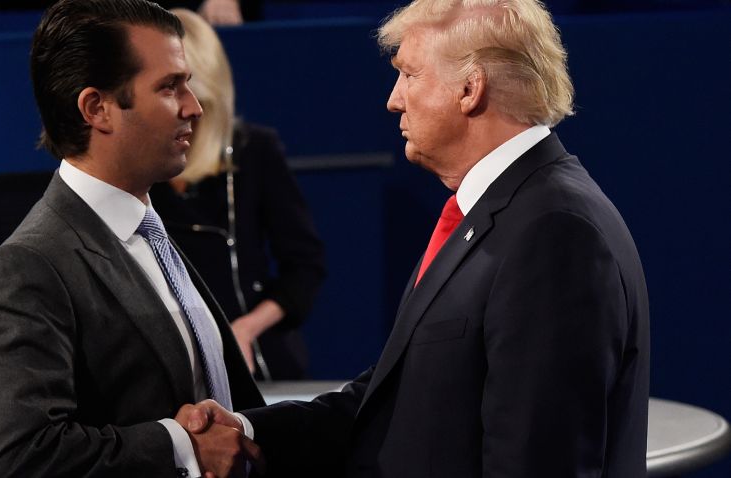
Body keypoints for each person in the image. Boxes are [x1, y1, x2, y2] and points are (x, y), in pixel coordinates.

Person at [180, 0, 651, 476]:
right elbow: (393, 402)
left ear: (470, 89)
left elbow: (538, 462)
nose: (393, 99)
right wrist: (247, 431)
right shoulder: (497, 212)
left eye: (408, 75)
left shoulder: (554, 233)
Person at [0, 1, 265, 477]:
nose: (194, 106)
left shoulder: (150, 231)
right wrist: (179, 446)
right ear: (96, 109)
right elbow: (15, 458)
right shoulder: (31, 265)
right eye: (170, 86)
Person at [149, 8, 325, 381]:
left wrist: (244, 329)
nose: (188, 113)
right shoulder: (141, 166)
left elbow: (305, 265)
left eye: (195, 100)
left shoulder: (254, 151)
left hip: (256, 360)